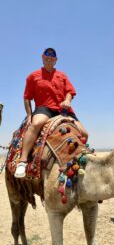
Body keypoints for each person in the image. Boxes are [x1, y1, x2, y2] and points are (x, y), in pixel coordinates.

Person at [14, 47, 88, 178]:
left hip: (64, 109)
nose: (49, 60)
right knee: (36, 124)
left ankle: (76, 161)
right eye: (46, 58)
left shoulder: (62, 75)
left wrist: (67, 100)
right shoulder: (33, 76)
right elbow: (27, 97)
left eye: (52, 59)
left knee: (84, 133)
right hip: (45, 108)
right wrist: (29, 114)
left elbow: (70, 92)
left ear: (55, 61)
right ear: (42, 59)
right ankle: (23, 161)